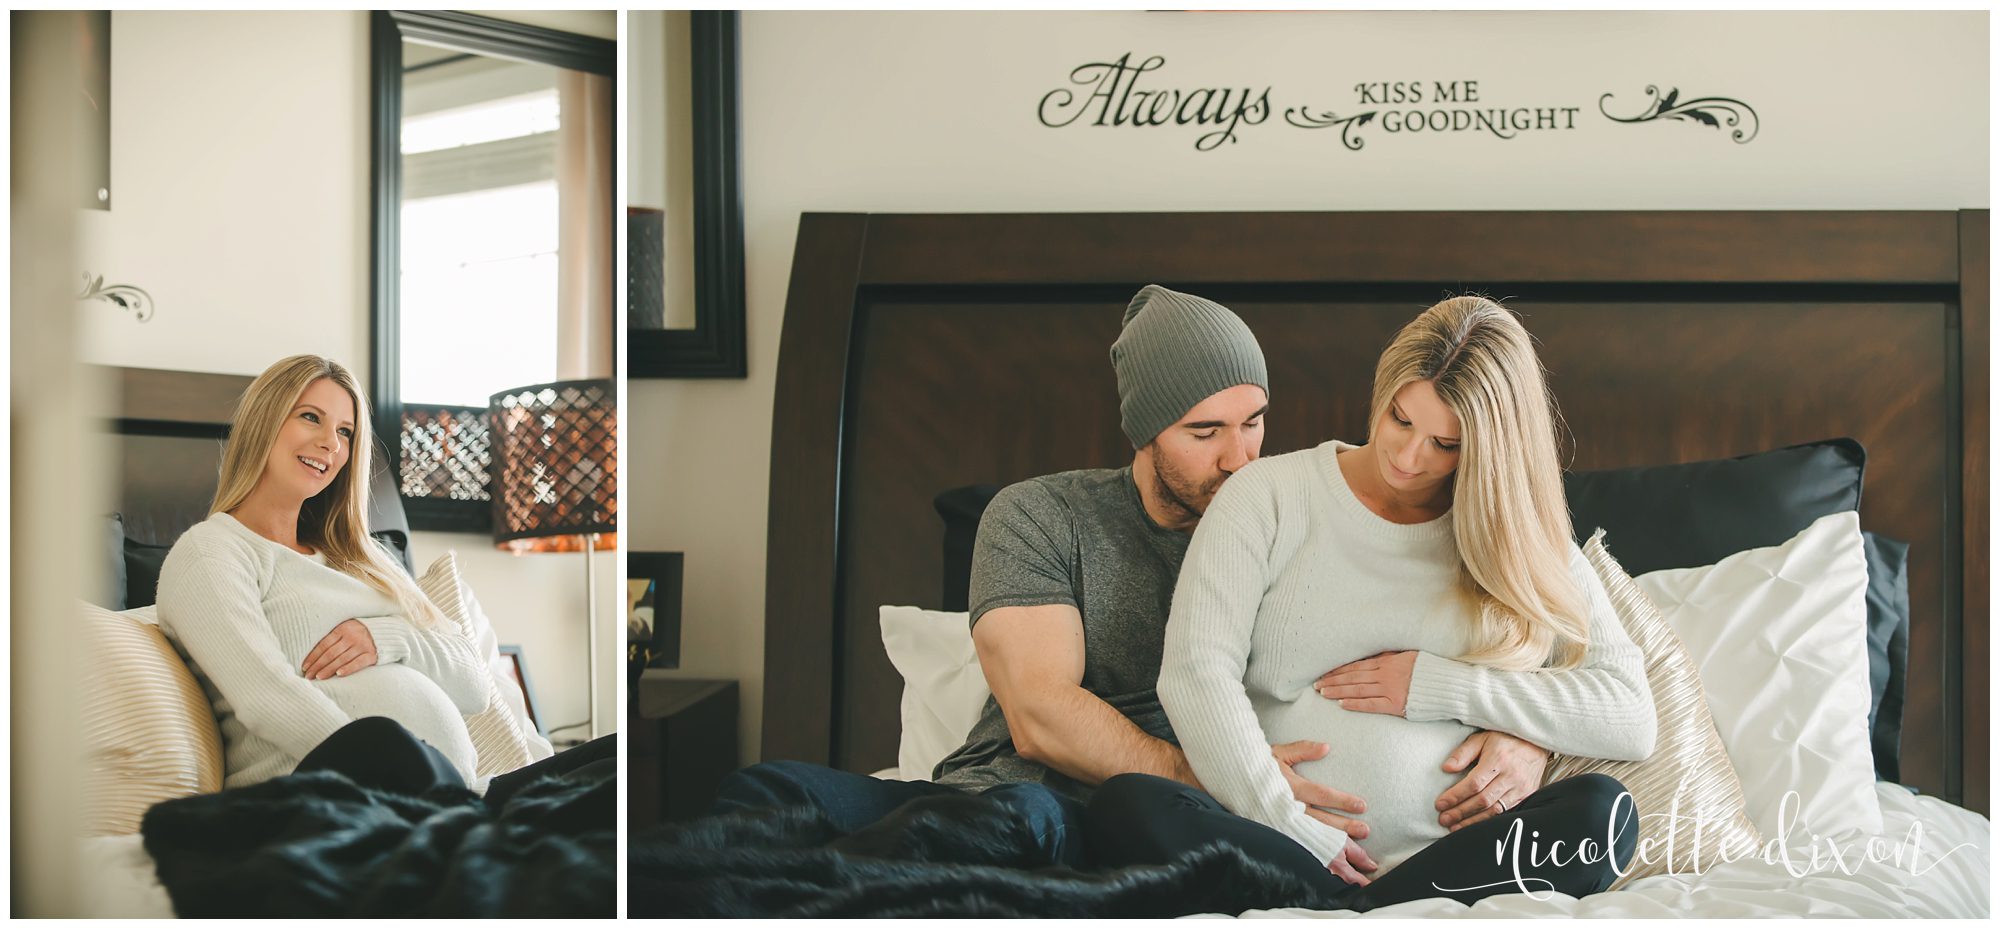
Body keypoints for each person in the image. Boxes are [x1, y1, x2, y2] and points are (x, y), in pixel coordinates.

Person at [713, 286, 1557, 868]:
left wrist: (1532, 734)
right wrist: (1230, 778)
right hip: (1010, 792)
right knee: (771, 793)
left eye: (1254, 422)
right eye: (1204, 431)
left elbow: (1521, 631)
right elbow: (1040, 716)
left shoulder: (1297, 512)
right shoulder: (1040, 515)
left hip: (1147, 828)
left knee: (1024, 831)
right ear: (1144, 430)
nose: (1239, 456)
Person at [1086, 296, 1656, 911]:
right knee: (1126, 806)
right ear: (1382, 393)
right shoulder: (1267, 496)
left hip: (1452, 857)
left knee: (1605, 815)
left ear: (1491, 449)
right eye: (1400, 420)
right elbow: (1196, 673)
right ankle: (1372, 913)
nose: (1408, 458)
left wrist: (1448, 690)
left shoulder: (1521, 535)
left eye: (1445, 443)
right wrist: (1287, 820)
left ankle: (1344, 915)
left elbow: (1629, 714)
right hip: (1282, 847)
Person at [156, 354, 614, 805]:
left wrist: (389, 638)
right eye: (311, 417)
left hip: (457, 796)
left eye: (345, 432)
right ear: (263, 422)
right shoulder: (213, 552)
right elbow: (267, 697)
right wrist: (407, 774)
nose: (330, 444)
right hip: (347, 801)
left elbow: (474, 685)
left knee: (626, 759)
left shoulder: (362, 557)